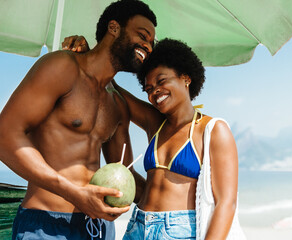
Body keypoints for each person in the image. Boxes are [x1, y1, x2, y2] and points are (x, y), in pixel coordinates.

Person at [0, 0, 157, 239]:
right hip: (46, 225)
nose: (148, 46)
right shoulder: (62, 67)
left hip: (96, 229)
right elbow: (2, 139)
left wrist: (176, 199)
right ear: (114, 28)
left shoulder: (118, 104)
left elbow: (124, 174)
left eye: (151, 42)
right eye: (143, 35)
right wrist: (75, 193)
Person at [66, 37, 245, 239]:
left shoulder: (213, 130)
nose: (154, 92)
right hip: (137, 226)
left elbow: (226, 203)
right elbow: (113, 91)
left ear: (186, 78)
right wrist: (90, 53)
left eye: (161, 81)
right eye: (148, 89)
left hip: (179, 231)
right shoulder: (156, 123)